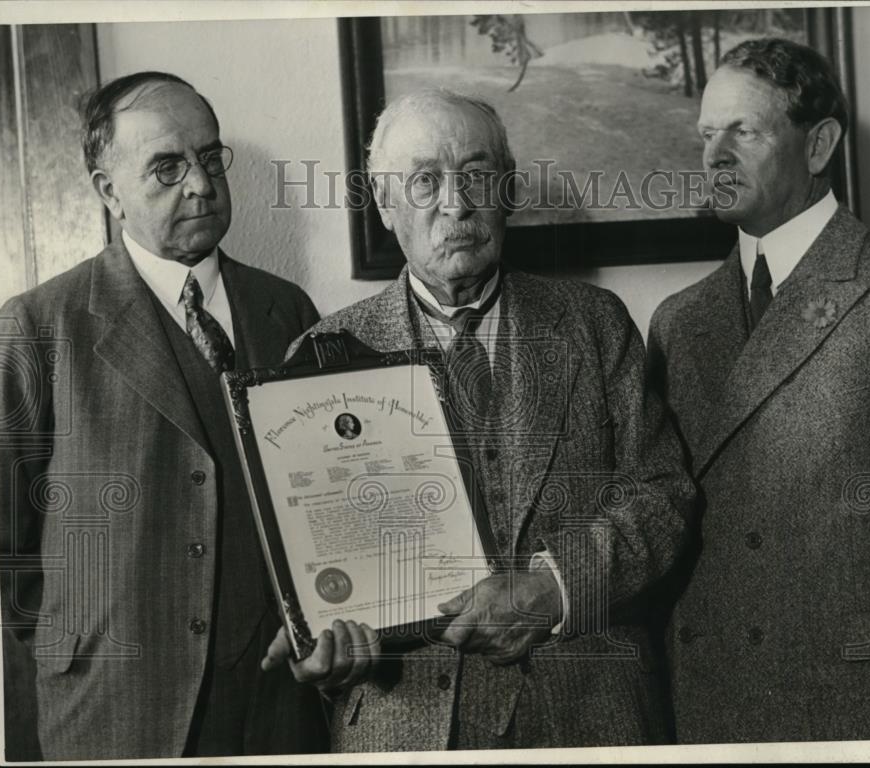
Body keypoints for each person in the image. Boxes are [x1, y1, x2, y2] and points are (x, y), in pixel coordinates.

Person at [262, 89, 696, 751]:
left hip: (588, 713)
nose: (457, 205)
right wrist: (323, 643)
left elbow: (664, 495)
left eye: (476, 174)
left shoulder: (594, 323)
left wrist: (554, 590)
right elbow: (313, 559)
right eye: (425, 181)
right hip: (406, 726)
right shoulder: (321, 356)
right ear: (385, 203)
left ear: (509, 189)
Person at [647, 38, 870, 742]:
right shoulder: (678, 321)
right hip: (713, 715)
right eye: (706, 134)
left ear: (818, 145)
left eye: (743, 131)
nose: (715, 155)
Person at [0, 71, 327, 759]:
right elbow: (7, 552)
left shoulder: (288, 310)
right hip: (114, 712)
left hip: (275, 703)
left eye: (209, 158)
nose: (200, 184)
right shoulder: (38, 326)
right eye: (167, 167)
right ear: (109, 191)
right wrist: (81, 647)